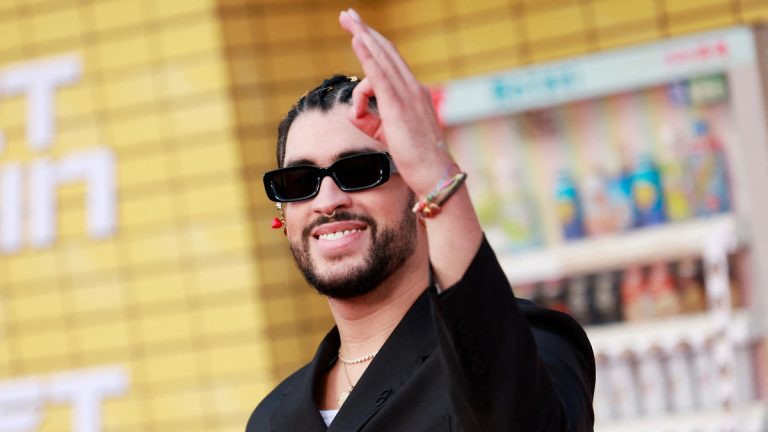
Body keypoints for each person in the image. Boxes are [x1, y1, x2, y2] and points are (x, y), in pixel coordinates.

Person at [247, 8, 595, 432]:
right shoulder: (271, 418)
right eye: (299, 181)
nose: (328, 200)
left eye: (359, 171)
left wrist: (436, 172)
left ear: (417, 190)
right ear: (282, 213)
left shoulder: (536, 344)